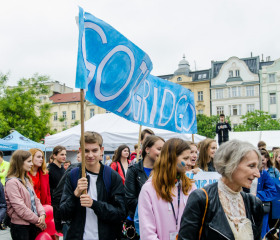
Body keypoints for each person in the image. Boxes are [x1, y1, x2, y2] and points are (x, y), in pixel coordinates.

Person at [178, 140, 264, 240]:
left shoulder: (254, 203)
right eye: (251, 166)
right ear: (231, 164)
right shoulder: (201, 198)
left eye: (257, 167)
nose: (257, 174)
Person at [60, 131, 126, 240]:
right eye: (86, 151)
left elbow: (120, 213)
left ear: (101, 151)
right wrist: (75, 195)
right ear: (80, 151)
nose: (90, 155)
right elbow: (63, 214)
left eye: (94, 150)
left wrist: (94, 204)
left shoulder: (111, 176)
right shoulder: (73, 175)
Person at [138, 138, 196, 239]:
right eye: (185, 159)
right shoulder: (149, 189)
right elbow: (148, 233)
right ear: (172, 158)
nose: (189, 163)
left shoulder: (190, 187)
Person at [125, 135, 165, 235]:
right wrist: (152, 209)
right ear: (147, 149)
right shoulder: (133, 170)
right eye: (159, 149)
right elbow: (130, 199)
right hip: (136, 222)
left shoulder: (165, 171)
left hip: (160, 222)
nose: (162, 153)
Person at [5, 150, 46, 240]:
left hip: (32, 224)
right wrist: (38, 220)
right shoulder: (12, 182)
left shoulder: (26, 180)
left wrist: (42, 214)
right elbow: (20, 207)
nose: (31, 164)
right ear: (20, 162)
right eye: (29, 161)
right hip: (20, 226)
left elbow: (36, 200)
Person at [48, 146, 66, 233]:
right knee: (55, 230)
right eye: (62, 154)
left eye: (65, 154)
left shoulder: (63, 169)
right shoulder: (49, 169)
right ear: (54, 156)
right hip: (53, 204)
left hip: (62, 202)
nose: (64, 156)